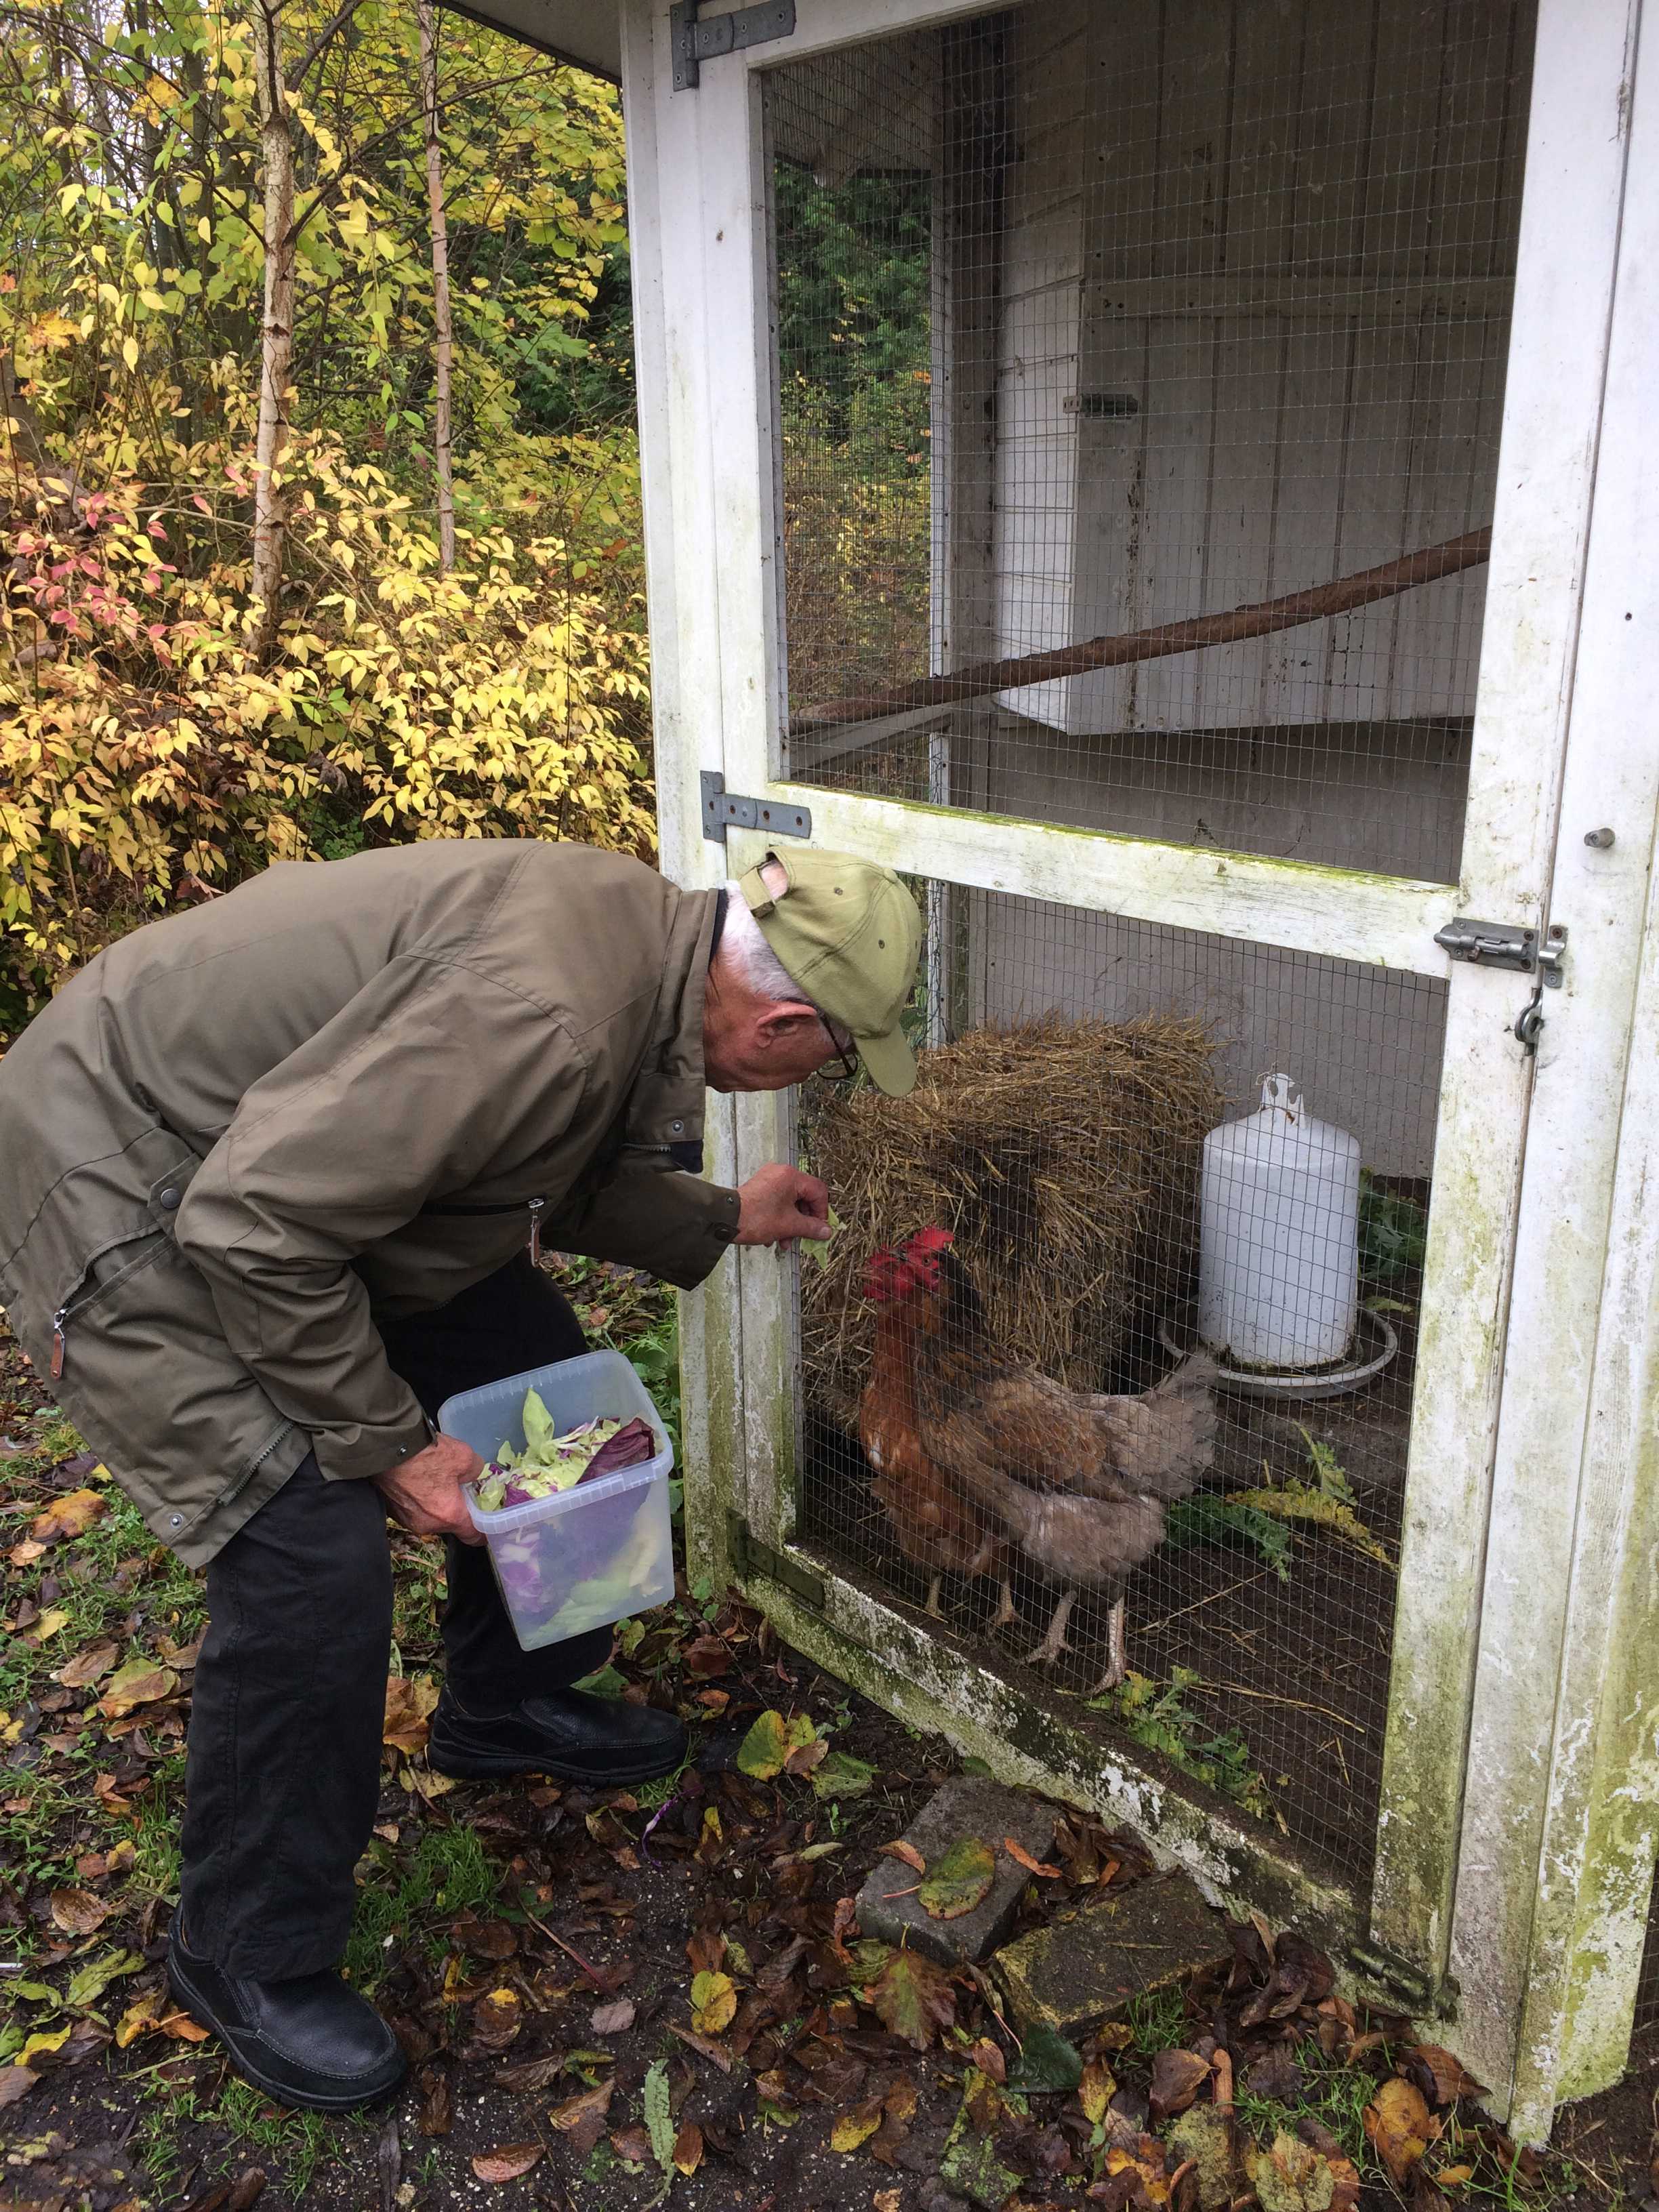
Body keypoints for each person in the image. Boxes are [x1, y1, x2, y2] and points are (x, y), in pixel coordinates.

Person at [0, 837, 922, 2112]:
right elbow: (255, 1223)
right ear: (779, 1019)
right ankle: (244, 1953)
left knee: (540, 1384)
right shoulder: (545, 1012)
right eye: (833, 1057)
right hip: (125, 1173)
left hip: (270, 1173)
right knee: (305, 1557)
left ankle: (501, 1705)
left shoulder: (645, 953)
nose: (821, 1078)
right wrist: (387, 1444)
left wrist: (716, 1215)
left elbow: (524, 1161)